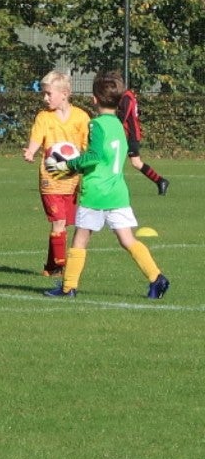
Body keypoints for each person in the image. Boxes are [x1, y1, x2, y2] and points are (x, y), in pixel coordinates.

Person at [45, 72, 170, 301]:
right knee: (128, 240)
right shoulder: (119, 126)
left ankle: (68, 287)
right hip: (117, 192)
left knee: (80, 239)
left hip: (96, 192)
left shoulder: (96, 125)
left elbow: (93, 156)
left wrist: (69, 165)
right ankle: (156, 277)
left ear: (94, 99)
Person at [19, 70, 89, 277]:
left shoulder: (81, 117)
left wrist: (87, 163)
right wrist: (31, 151)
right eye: (44, 93)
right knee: (58, 221)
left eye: (49, 93)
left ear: (64, 94)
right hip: (50, 179)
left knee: (63, 223)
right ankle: (60, 267)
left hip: (71, 179)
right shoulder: (44, 117)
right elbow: (37, 137)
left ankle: (50, 266)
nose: (45, 98)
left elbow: (87, 145)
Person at [115, 83, 170, 196]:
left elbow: (122, 117)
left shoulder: (126, 97)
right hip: (128, 134)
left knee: (135, 162)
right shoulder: (127, 96)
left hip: (130, 134)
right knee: (128, 161)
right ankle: (160, 181)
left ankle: (160, 181)